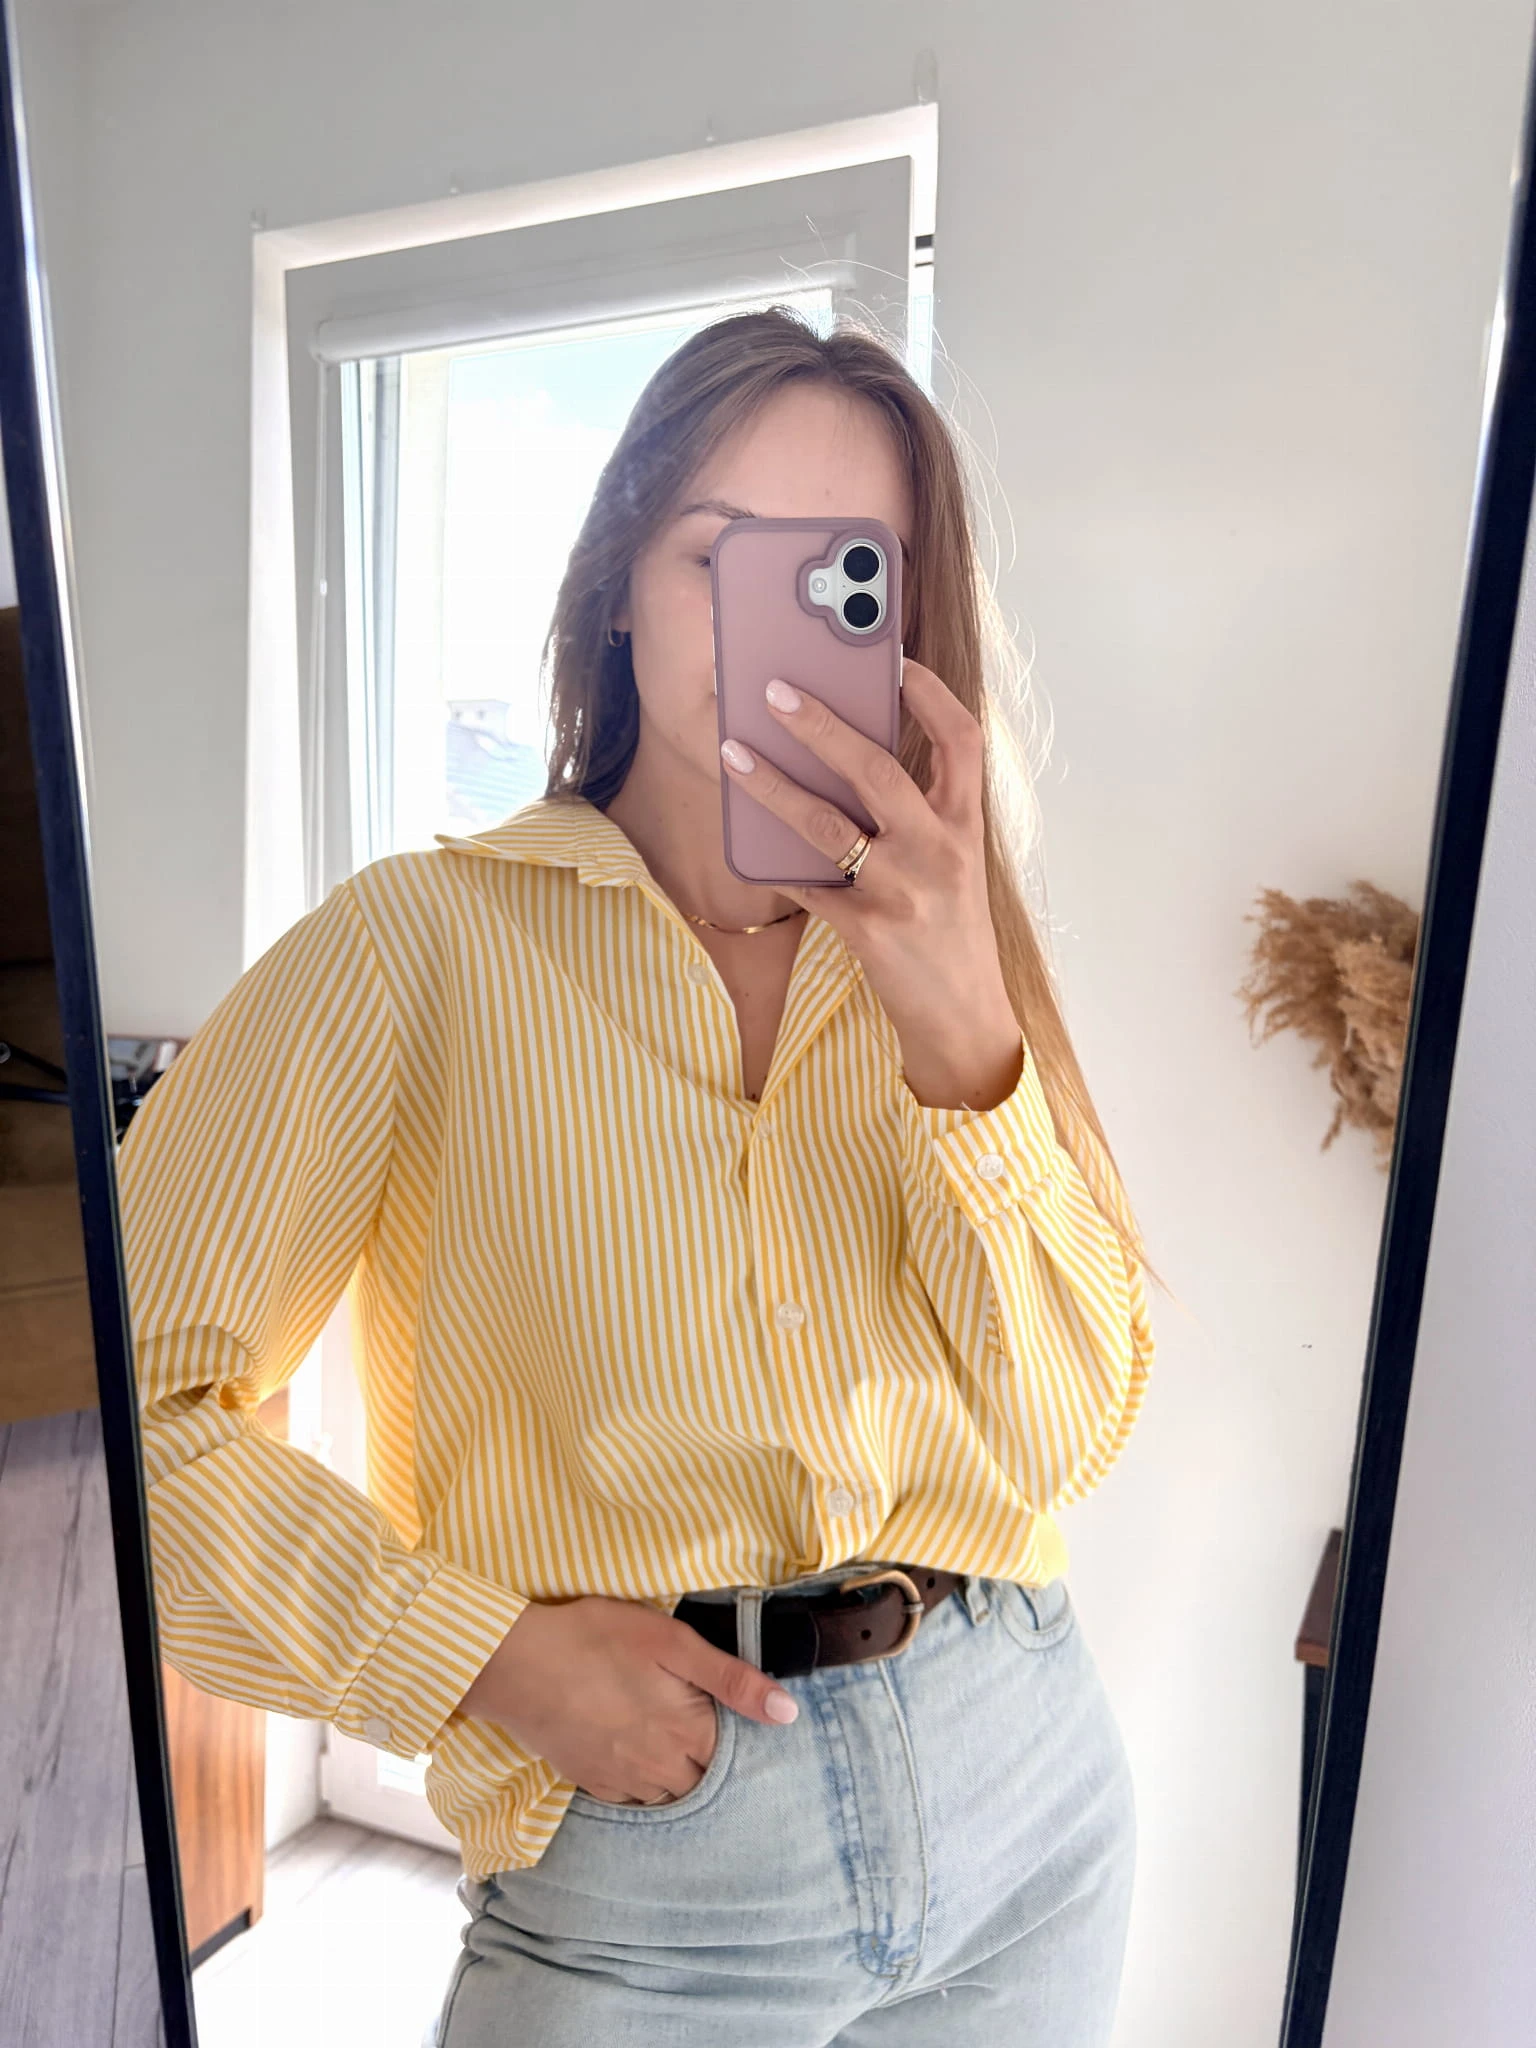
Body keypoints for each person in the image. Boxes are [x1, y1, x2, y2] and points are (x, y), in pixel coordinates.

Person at [117, 305, 1156, 2046]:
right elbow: (128, 1417)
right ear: (617, 585)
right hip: (649, 1853)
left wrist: (964, 1031)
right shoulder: (416, 949)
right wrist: (475, 1653)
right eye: (714, 555)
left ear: (908, 621)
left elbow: (1063, 1438)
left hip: (1027, 1796)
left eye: (841, 573)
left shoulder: (954, 957)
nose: (769, 627)